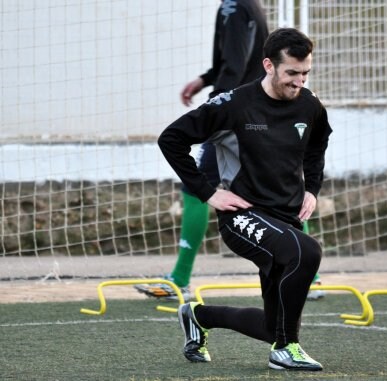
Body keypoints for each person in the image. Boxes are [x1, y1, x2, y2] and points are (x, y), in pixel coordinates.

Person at [158, 28, 332, 371]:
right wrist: (208, 192)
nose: (298, 82)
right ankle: (287, 350)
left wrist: (312, 188)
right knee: (307, 251)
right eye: (291, 73)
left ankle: (198, 315)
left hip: (284, 220)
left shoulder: (310, 103)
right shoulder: (233, 104)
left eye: (305, 73)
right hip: (242, 216)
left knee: (272, 327)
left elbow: (317, 145)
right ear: (269, 65)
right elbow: (172, 139)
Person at [136, 0, 325, 302]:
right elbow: (236, 59)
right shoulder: (245, 6)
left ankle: (180, 279)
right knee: (284, 180)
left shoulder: (236, 7)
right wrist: (205, 80)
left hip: (238, 119)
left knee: (197, 186)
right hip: (247, 111)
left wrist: (217, 106)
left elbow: (236, 65)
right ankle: (307, 273)